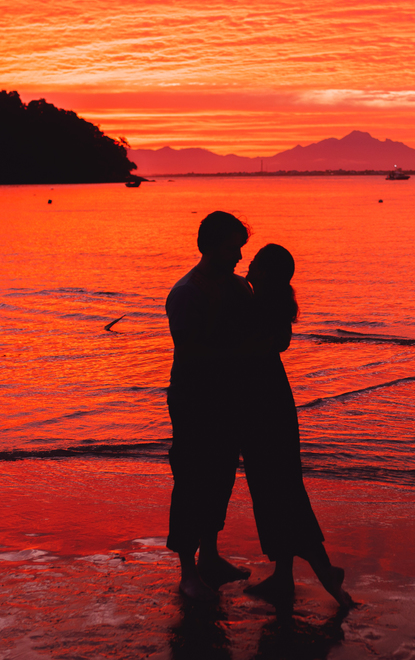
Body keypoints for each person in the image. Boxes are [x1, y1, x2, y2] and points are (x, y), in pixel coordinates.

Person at [240, 244, 352, 609]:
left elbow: (252, 350)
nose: (247, 263)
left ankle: (325, 572)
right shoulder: (267, 302)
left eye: (255, 261)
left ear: (268, 272)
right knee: (278, 489)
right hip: (271, 403)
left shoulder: (260, 306)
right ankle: (284, 577)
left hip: (265, 407)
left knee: (279, 492)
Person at [165, 211, 254, 601]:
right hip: (193, 399)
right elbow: (188, 354)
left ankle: (211, 557)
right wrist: (236, 355)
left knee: (220, 477)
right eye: (233, 247)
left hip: (230, 398)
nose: (238, 256)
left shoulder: (239, 289)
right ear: (211, 246)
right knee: (190, 480)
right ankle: (188, 572)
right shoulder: (185, 293)